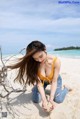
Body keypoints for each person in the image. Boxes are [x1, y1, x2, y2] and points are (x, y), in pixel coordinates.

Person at [7, 40, 70, 112]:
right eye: (35, 58)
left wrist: (50, 99)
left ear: (45, 49)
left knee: (58, 100)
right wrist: (44, 100)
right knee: (36, 100)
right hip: (42, 81)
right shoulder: (34, 64)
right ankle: (36, 88)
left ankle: (66, 88)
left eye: (41, 56)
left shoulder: (56, 61)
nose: (39, 60)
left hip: (55, 80)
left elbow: (54, 82)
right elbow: (39, 83)